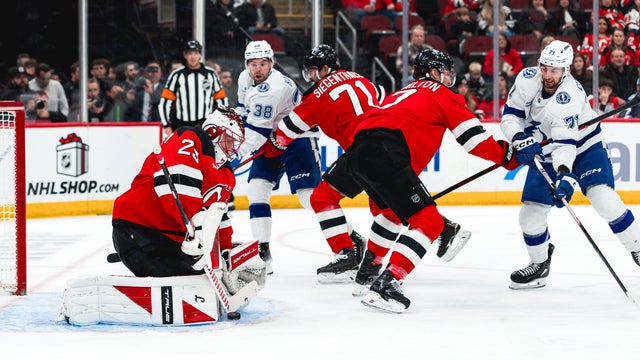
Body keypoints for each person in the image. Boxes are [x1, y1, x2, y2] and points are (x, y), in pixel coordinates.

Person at [345, 49, 521, 313]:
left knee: (392, 212)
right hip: (386, 152)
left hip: (356, 153)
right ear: (434, 73)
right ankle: (388, 283)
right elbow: (475, 141)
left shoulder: (402, 92)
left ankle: (367, 273)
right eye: (446, 73)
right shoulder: (442, 94)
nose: (449, 79)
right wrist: (508, 156)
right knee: (429, 221)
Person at [500, 40, 640, 291]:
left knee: (603, 198)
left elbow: (566, 147)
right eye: (544, 68)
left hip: (585, 149)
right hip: (547, 152)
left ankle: (637, 247)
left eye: (554, 70)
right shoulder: (526, 79)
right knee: (529, 216)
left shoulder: (569, 97)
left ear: (566, 70)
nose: (547, 75)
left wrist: (566, 176)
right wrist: (519, 138)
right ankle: (539, 265)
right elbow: (510, 116)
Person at [112, 106, 245, 277]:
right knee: (188, 280)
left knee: (201, 277)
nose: (231, 150)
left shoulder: (225, 173)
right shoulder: (191, 137)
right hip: (140, 228)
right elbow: (175, 183)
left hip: (171, 239)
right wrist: (198, 228)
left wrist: (225, 251)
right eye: (229, 141)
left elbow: (218, 215)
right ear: (213, 131)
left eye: (235, 145)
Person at [235, 40, 321, 275]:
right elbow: (243, 110)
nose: (258, 69)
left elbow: (256, 134)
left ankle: (349, 242)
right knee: (256, 190)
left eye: (263, 63)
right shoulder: (245, 78)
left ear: (271, 63)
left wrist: (233, 155)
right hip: (270, 138)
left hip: (298, 138)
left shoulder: (274, 87)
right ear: (247, 64)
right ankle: (263, 253)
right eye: (253, 64)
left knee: (309, 197)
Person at [159, 40, 228, 135]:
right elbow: (165, 102)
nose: (193, 57)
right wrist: (166, 125)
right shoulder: (177, 75)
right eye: (190, 53)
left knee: (204, 150)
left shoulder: (211, 74)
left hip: (205, 125)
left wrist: (222, 122)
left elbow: (221, 100)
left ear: (200, 55)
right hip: (181, 125)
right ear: (185, 55)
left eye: (196, 53)